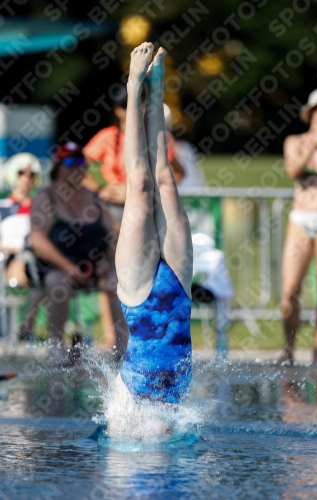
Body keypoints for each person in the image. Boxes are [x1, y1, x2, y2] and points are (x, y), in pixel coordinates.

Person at [112, 43, 193, 416]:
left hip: (139, 293)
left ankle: (138, 87)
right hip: (177, 289)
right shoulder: (134, 418)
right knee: (157, 180)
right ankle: (150, 87)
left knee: (142, 184)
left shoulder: (131, 415)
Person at [30, 142, 127, 363]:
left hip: (97, 265)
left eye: (81, 162)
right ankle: (57, 346)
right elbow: (38, 240)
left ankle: (122, 347)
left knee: (115, 281)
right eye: (70, 162)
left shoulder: (93, 196)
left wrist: (107, 260)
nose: (76, 168)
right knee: (57, 283)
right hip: (61, 266)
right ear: (58, 166)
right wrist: (69, 267)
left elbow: (112, 235)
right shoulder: (47, 197)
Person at [280, 87, 317, 365]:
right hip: (301, 217)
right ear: (310, 112)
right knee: (290, 290)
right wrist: (315, 144)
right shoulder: (296, 141)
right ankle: (288, 349)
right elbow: (293, 171)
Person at [83, 88, 184, 228]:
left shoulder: (157, 138)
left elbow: (177, 173)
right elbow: (75, 166)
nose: (132, 111)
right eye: (126, 106)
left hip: (146, 204)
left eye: (136, 105)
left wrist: (144, 192)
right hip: (113, 205)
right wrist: (100, 190)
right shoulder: (107, 137)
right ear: (117, 110)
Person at [0, 153, 43, 340]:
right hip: (7, 262)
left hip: (33, 263)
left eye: (31, 175)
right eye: (21, 173)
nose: (26, 179)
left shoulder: (41, 208)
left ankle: (26, 327)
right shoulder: (3, 207)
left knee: (40, 269)